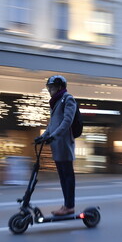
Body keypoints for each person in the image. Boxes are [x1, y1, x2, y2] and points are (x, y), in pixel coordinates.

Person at [35, 75, 77, 216]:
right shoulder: (56, 101)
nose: (49, 90)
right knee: (62, 176)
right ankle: (67, 205)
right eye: (49, 88)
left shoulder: (67, 99)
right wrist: (43, 136)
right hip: (57, 144)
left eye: (52, 87)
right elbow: (52, 125)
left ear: (59, 87)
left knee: (67, 176)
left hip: (64, 144)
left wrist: (55, 135)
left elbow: (67, 121)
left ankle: (69, 206)